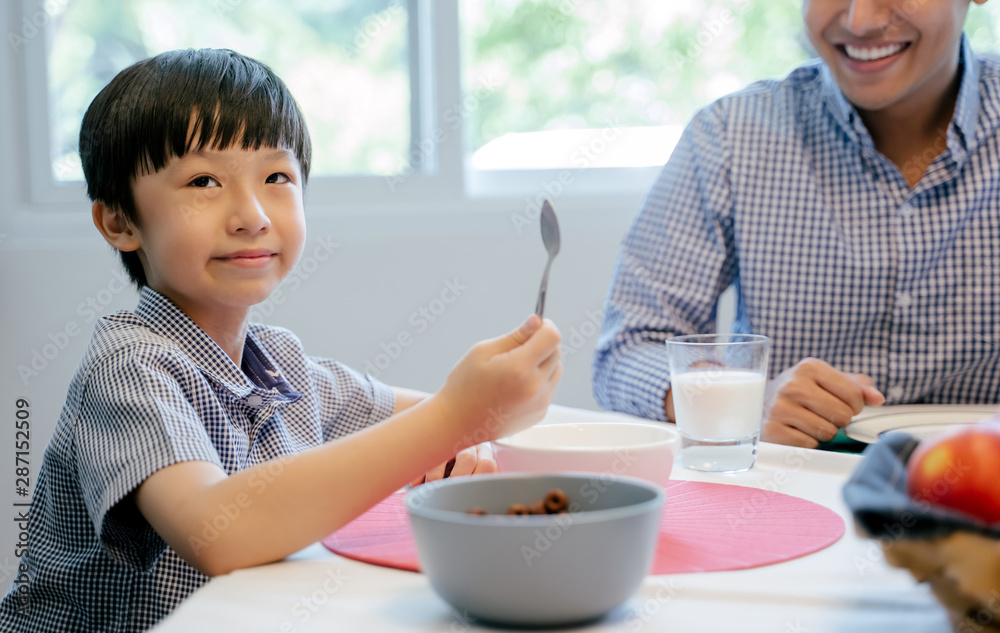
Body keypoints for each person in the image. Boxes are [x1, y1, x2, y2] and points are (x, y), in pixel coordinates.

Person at [0, 49, 562, 632]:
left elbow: (441, 421)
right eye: (203, 181)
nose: (251, 215)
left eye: (276, 178)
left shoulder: (282, 366)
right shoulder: (127, 370)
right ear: (120, 222)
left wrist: (499, 406)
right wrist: (455, 414)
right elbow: (220, 530)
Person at [593, 0, 999, 448]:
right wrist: (741, 403)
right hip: (787, 491)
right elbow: (625, 352)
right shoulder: (732, 134)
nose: (859, 21)